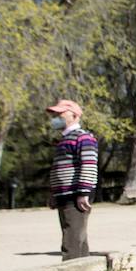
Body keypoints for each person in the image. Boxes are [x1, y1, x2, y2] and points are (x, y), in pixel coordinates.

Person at [46, 99, 98, 261]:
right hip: (63, 194)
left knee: (71, 239)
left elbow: (89, 164)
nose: (56, 117)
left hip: (76, 195)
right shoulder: (63, 140)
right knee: (77, 237)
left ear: (74, 115)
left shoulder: (83, 137)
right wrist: (53, 193)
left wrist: (83, 192)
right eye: (55, 114)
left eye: (60, 114)